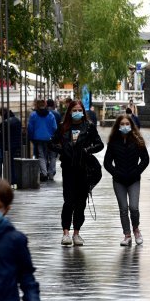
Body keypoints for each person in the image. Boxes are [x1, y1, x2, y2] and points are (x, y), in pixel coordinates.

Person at [50, 101, 104, 247]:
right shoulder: (63, 127)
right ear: (70, 111)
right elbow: (52, 143)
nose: (77, 112)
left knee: (81, 202)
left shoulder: (89, 127)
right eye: (74, 110)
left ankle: (76, 233)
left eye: (79, 110)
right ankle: (65, 233)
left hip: (84, 169)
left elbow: (99, 144)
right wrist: (63, 150)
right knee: (68, 201)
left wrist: (87, 150)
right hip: (68, 169)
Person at [104, 114, 150, 246]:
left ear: (131, 125)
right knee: (123, 208)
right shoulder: (113, 142)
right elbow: (107, 163)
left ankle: (136, 229)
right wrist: (116, 173)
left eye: (127, 124)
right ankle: (127, 234)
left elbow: (145, 159)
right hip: (119, 180)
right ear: (118, 126)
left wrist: (136, 171)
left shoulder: (137, 140)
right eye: (122, 124)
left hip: (134, 179)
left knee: (134, 207)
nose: (125, 126)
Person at [27, 100, 58, 182]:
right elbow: (55, 127)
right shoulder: (50, 115)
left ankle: (44, 173)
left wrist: (31, 137)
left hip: (38, 138)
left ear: (37, 105)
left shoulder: (33, 115)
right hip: (49, 138)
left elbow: (30, 128)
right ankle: (51, 173)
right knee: (52, 156)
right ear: (45, 105)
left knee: (41, 156)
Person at [0, 107, 21, 186]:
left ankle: (10, 180)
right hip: (16, 144)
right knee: (11, 162)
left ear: (2, 113)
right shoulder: (16, 120)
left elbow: (3, 135)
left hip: (7, 145)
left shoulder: (5, 123)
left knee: (6, 162)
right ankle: (12, 180)